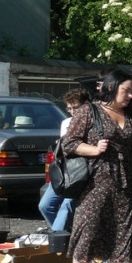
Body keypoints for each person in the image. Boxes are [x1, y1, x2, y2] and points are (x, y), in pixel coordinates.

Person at [63, 69, 132, 263]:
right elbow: (68, 143)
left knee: (124, 233)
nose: (130, 96)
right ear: (112, 88)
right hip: (96, 183)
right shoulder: (89, 111)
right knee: (86, 231)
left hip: (128, 185)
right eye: (126, 90)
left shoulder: (131, 116)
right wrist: (93, 149)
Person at [38, 88, 91, 232]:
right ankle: (64, 235)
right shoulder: (66, 123)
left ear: (86, 105)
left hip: (80, 172)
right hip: (65, 170)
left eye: (76, 108)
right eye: (69, 108)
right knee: (45, 205)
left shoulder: (91, 123)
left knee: (67, 206)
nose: (73, 112)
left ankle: (57, 239)